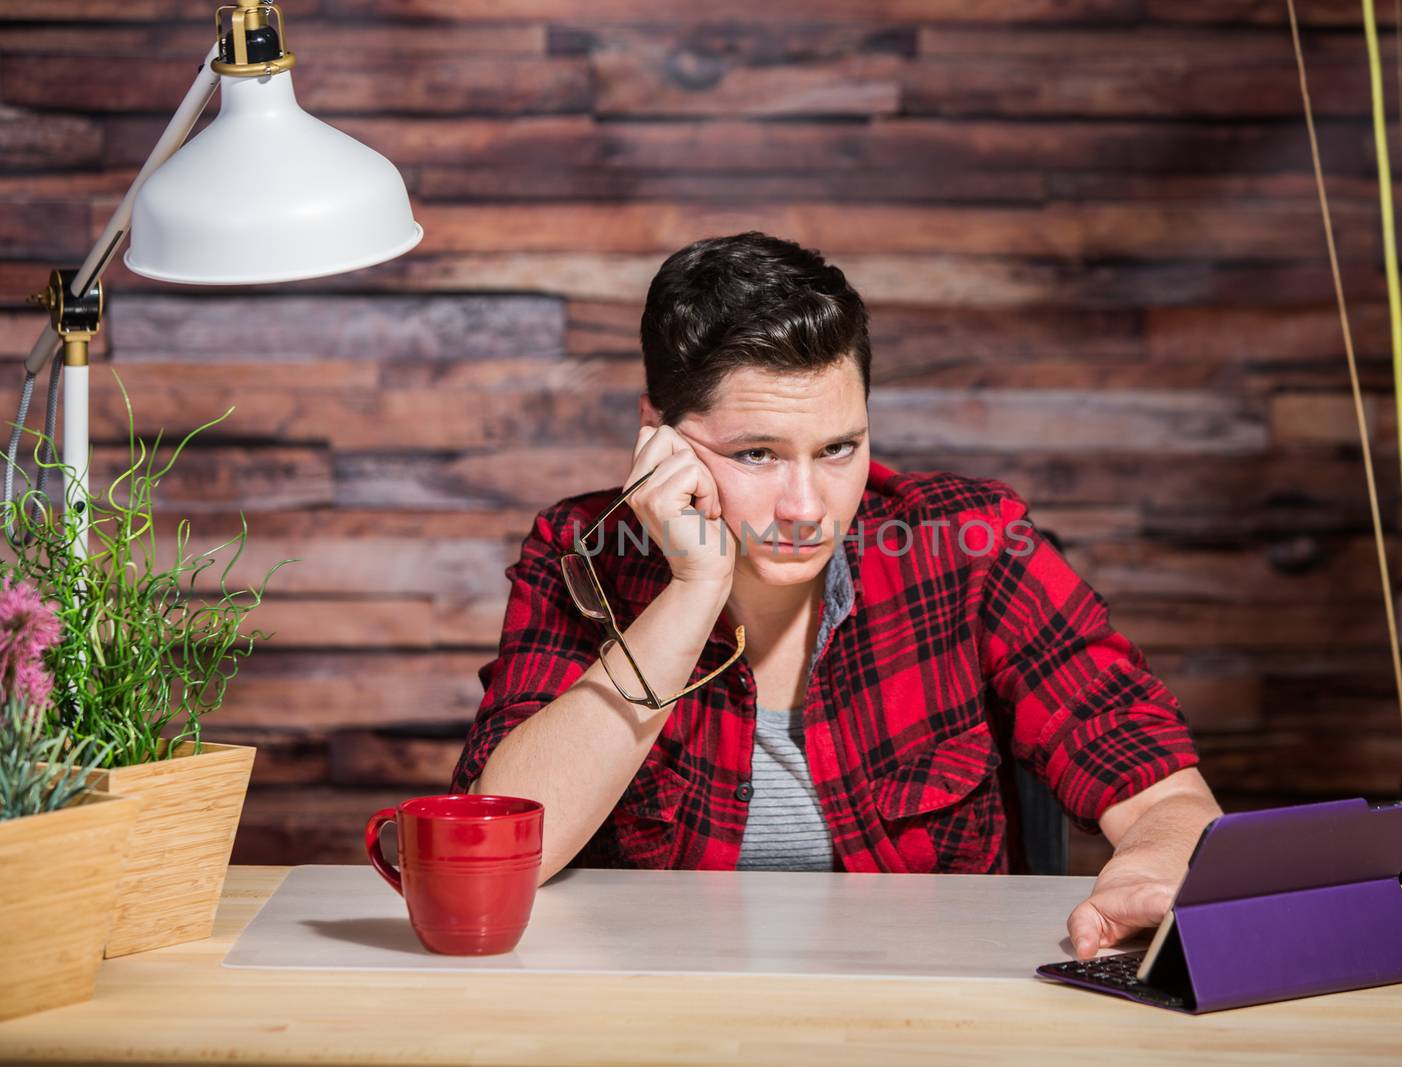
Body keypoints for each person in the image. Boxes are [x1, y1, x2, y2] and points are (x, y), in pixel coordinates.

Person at [451, 231, 1222, 960]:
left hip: (922, 1017)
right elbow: (500, 852)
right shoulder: (582, 555)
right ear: (659, 435)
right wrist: (693, 589)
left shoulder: (970, 545)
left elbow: (1165, 794)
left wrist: (1148, 866)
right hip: (664, 1020)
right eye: (757, 453)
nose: (807, 505)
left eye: (838, 449)